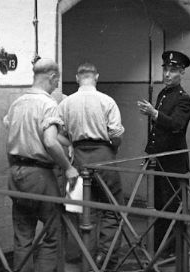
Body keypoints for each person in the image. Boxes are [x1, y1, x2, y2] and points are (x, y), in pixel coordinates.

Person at [4, 58, 79, 272]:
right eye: (57, 81)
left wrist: (15, 167)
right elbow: (49, 141)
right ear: (52, 77)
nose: (57, 86)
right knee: (52, 233)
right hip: (40, 176)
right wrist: (68, 167)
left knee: (23, 236)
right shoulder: (48, 104)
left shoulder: (16, 103)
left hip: (16, 173)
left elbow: (9, 140)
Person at [59, 62, 125, 270]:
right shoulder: (107, 101)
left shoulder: (66, 103)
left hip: (78, 156)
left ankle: (86, 259)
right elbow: (116, 134)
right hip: (103, 154)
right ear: (97, 77)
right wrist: (112, 149)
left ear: (77, 78)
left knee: (83, 210)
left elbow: (57, 135)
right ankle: (105, 257)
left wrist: (70, 145)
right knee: (112, 208)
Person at [137, 50, 190, 254]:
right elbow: (158, 130)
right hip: (159, 159)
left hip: (172, 161)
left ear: (182, 73)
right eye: (166, 70)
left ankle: (172, 249)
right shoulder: (163, 94)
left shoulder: (183, 98)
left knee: (171, 205)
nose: (167, 74)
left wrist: (154, 113)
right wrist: (148, 153)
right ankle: (159, 245)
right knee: (158, 204)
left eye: (172, 71)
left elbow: (176, 124)